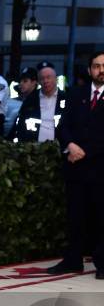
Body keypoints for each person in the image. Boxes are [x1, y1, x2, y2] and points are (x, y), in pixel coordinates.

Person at [46, 52, 104, 279]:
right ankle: (72, 260)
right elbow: (63, 126)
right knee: (74, 216)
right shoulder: (75, 94)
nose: (101, 70)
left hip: (100, 168)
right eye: (97, 66)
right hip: (75, 168)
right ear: (89, 69)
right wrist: (69, 144)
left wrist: (83, 151)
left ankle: (102, 263)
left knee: (101, 217)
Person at [9, 61, 66, 143]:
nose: (45, 81)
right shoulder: (31, 99)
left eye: (48, 77)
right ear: (38, 81)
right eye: (42, 78)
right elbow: (20, 124)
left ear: (55, 79)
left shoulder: (66, 98)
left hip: (60, 147)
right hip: (34, 148)